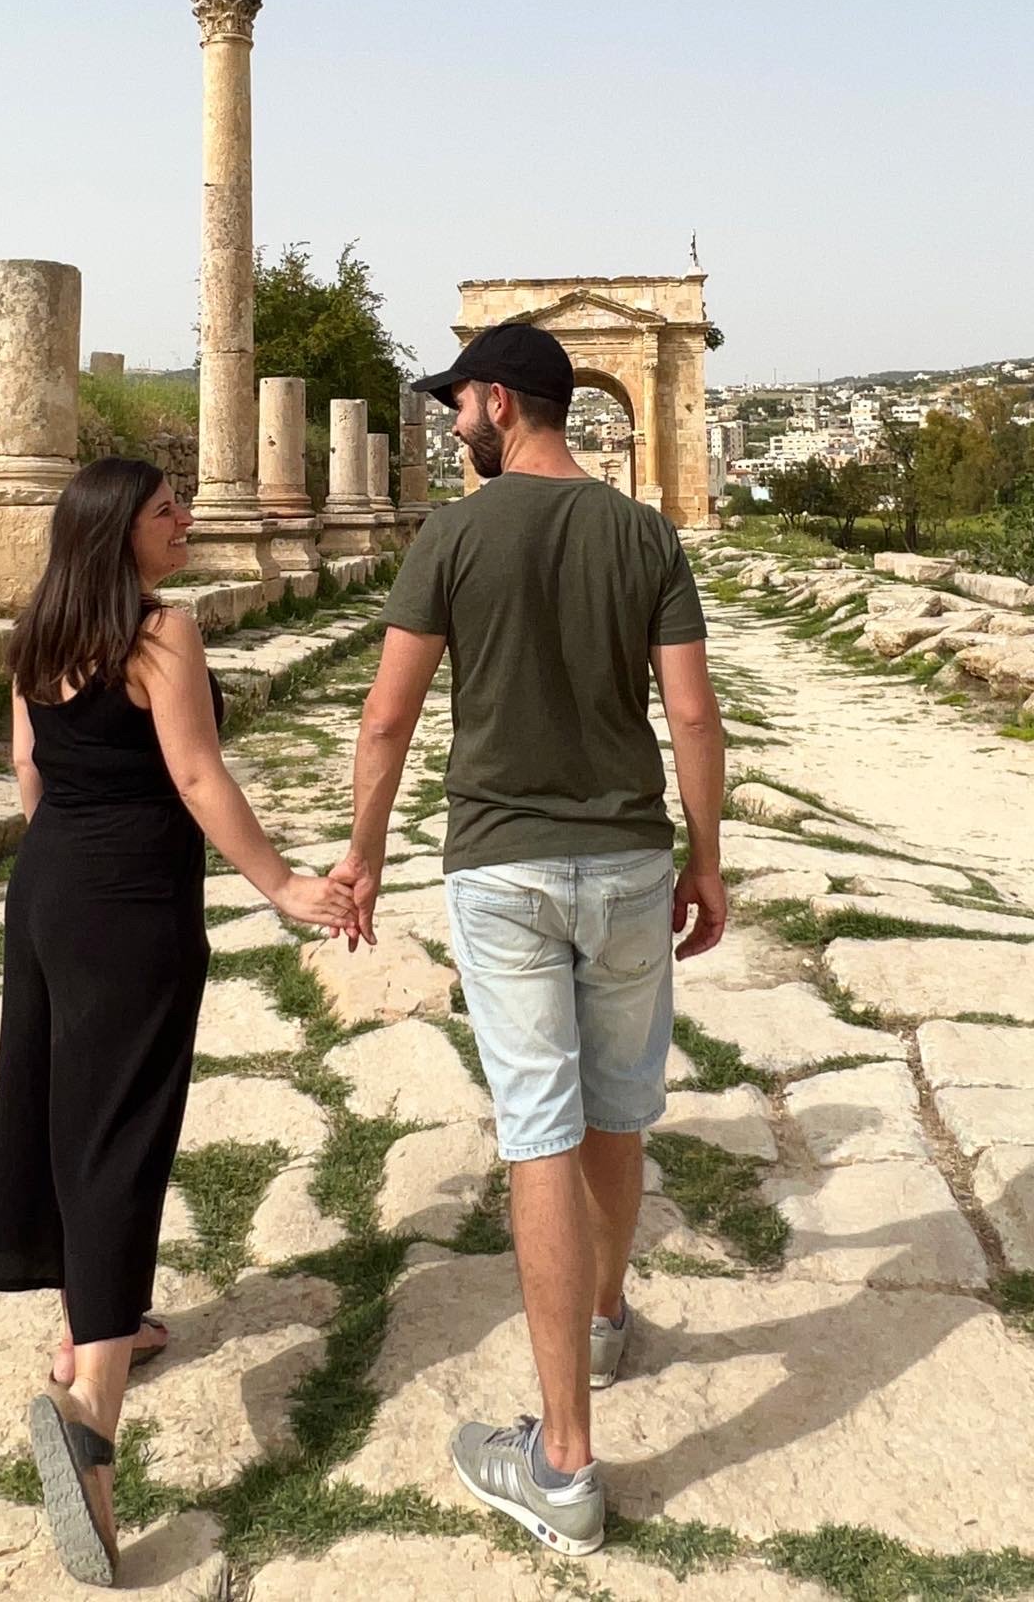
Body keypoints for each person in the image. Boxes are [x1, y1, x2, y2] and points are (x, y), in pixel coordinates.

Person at [330, 322, 726, 1556]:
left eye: (459, 406)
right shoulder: (643, 530)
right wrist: (707, 857)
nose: (454, 425)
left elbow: (389, 721)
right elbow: (695, 713)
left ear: (500, 402)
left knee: (540, 1131)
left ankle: (560, 1461)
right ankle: (606, 1315)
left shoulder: (453, 535)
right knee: (617, 1108)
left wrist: (362, 854)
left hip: (501, 866)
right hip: (625, 859)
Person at [0, 457, 357, 1586]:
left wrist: (63, 861)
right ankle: (91, 1410)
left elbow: (30, 778)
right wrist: (284, 884)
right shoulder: (161, 635)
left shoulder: (40, 631)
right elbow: (198, 777)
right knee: (124, 1124)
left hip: (47, 888)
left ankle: (94, 1317)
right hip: (132, 900)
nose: (186, 520)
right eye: (165, 510)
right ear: (117, 532)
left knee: (59, 1106)